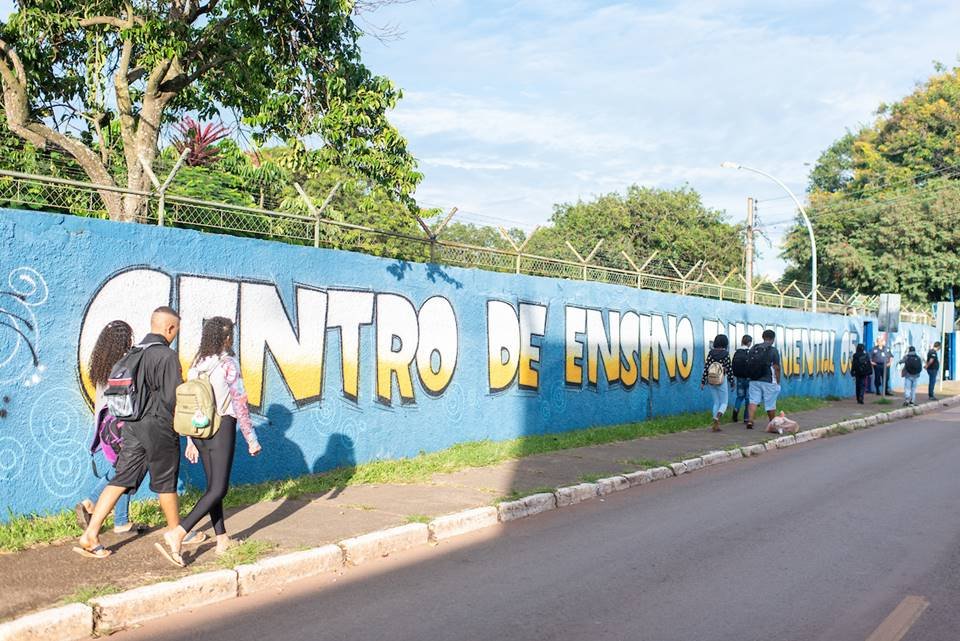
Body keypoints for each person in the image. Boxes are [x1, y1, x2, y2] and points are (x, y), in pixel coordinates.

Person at [75, 307, 184, 560]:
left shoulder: (132, 354)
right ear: (169, 328)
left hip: (132, 427)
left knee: (121, 478)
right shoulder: (166, 356)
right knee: (166, 483)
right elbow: (171, 399)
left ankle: (91, 534)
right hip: (158, 427)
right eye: (176, 329)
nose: (176, 333)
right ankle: (176, 536)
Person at [162, 317, 262, 562]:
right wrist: (251, 438)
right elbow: (239, 402)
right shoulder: (228, 364)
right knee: (219, 488)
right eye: (231, 335)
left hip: (200, 429)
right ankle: (179, 532)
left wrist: (190, 440)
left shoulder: (197, 364)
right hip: (222, 427)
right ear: (226, 338)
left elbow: (189, 404)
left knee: (212, 487)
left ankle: (222, 539)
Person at [74, 321, 145, 535]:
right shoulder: (123, 365)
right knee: (126, 470)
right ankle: (92, 501)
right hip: (121, 426)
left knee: (122, 470)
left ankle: (121, 520)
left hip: (107, 428)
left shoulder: (102, 365)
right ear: (125, 340)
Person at [746, 329, 782, 431]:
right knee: (770, 403)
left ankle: (750, 420)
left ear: (763, 337)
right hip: (768, 380)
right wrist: (778, 381)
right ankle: (772, 424)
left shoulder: (754, 348)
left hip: (754, 379)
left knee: (753, 400)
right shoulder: (773, 350)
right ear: (773, 339)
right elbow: (776, 368)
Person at [700, 334, 735, 432]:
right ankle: (718, 417)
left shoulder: (711, 353)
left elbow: (706, 367)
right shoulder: (725, 354)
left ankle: (716, 425)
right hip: (721, 380)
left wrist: (703, 382)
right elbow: (729, 368)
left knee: (716, 402)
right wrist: (732, 382)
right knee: (724, 402)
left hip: (711, 380)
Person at [730, 334, 752, 424]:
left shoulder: (737, 352)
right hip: (749, 378)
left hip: (739, 378)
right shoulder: (749, 352)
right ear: (749, 343)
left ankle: (735, 411)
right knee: (748, 398)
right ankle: (746, 418)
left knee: (739, 396)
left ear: (742, 341)